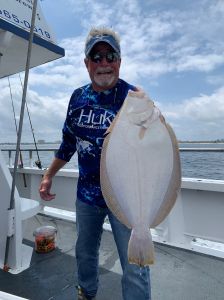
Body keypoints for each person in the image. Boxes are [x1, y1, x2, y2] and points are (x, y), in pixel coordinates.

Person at [39, 27, 151, 300]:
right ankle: (86, 293)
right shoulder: (78, 98)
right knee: (84, 252)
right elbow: (68, 143)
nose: (103, 63)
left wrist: (149, 112)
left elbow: (153, 148)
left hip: (126, 200)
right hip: (87, 196)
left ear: (119, 61)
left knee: (136, 263)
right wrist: (48, 175)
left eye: (109, 55)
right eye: (96, 56)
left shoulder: (134, 98)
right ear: (86, 63)